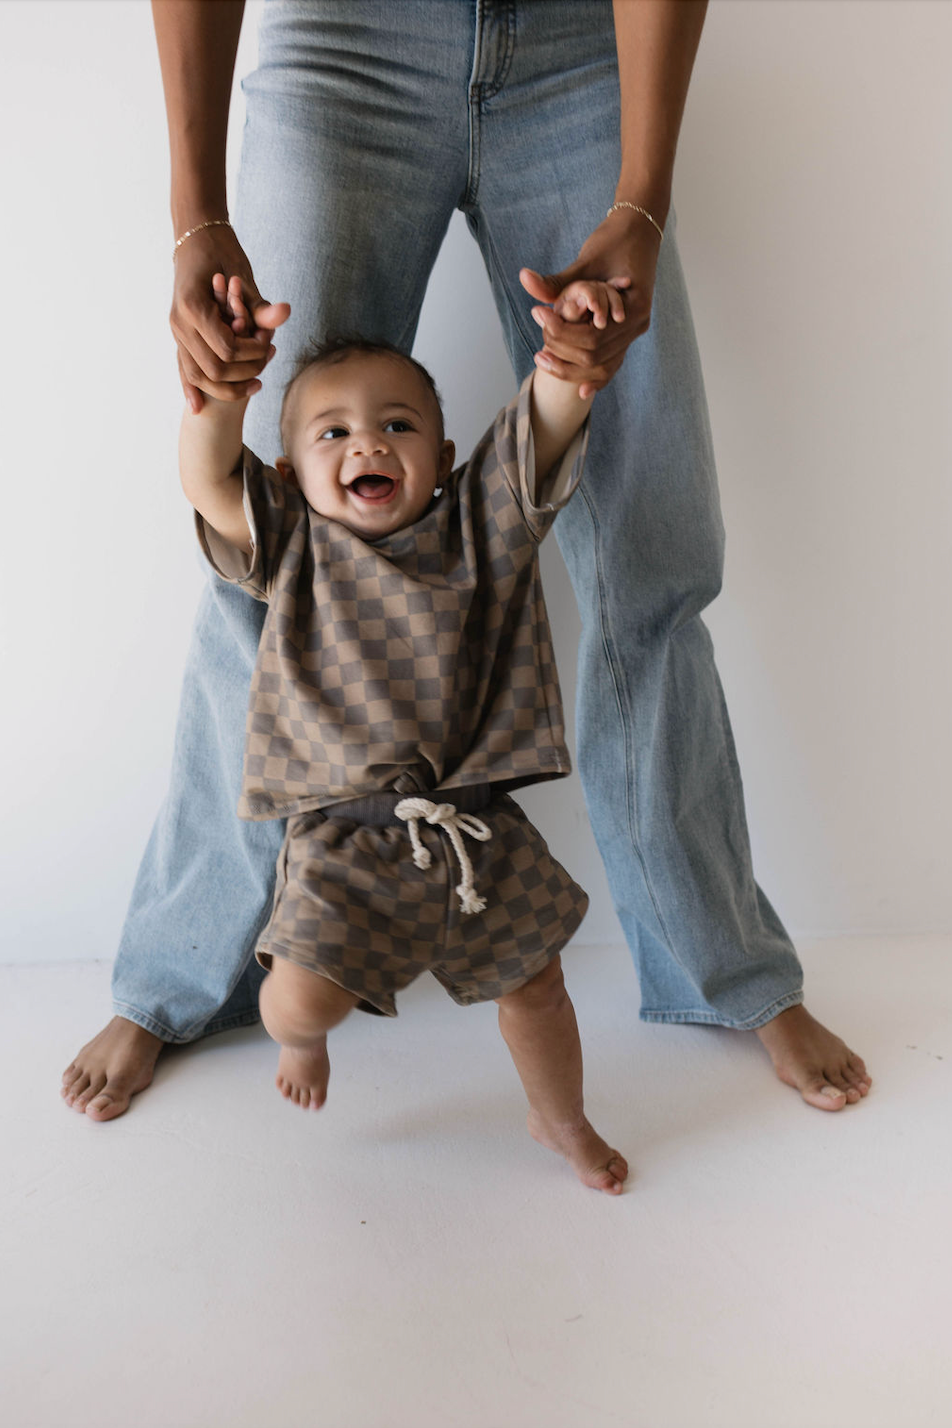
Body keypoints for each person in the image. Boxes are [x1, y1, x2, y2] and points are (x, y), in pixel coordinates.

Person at [63, 0, 871, 1122]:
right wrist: (195, 210)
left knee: (652, 558)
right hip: (344, 46)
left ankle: (719, 969)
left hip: (581, 51)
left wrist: (642, 193)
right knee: (270, 559)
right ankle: (181, 979)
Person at [177, 270, 628, 1193]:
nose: (367, 443)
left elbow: (542, 425)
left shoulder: (477, 525)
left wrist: (569, 356)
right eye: (332, 432)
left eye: (397, 424)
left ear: (443, 452)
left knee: (538, 988)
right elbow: (208, 476)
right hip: (346, 838)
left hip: (476, 834)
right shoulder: (292, 541)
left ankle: (560, 1118)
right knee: (295, 999)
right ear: (290, 472)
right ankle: (302, 1043)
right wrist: (223, 397)